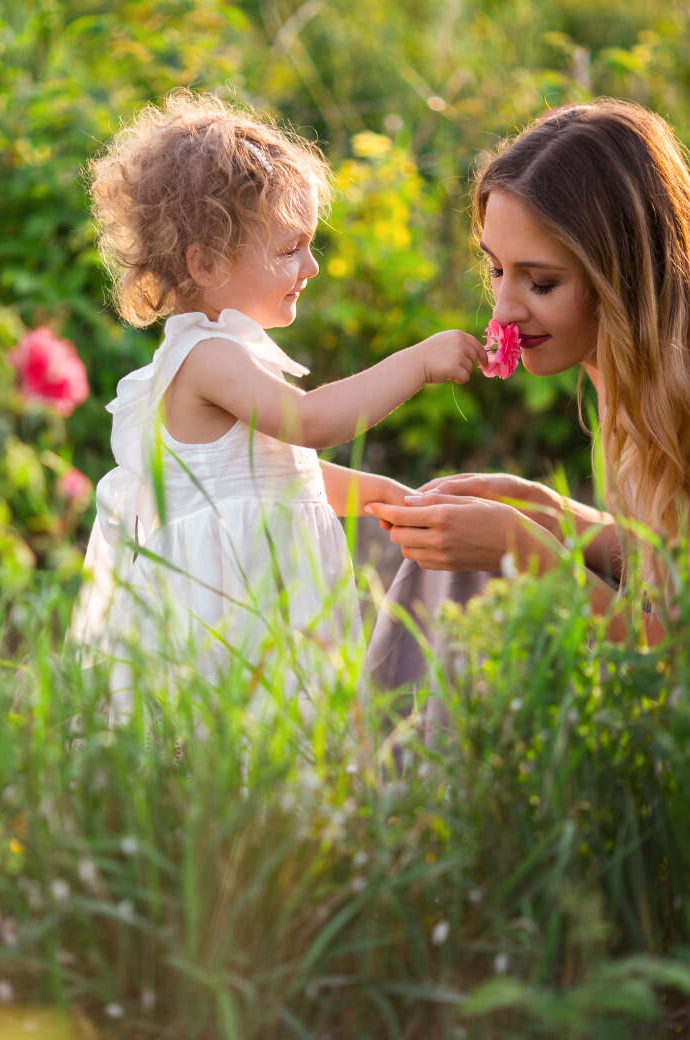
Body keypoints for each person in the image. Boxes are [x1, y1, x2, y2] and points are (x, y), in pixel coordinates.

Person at [364, 99, 690, 685]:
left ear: (623, 277)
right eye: (496, 270)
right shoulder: (627, 359)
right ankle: (392, 764)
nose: (504, 310)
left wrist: (527, 550)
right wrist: (549, 513)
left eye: (541, 282)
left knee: (495, 577)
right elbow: (676, 569)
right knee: (458, 562)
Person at [69, 91, 484, 711]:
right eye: (290, 249)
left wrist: (374, 494)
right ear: (205, 263)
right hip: (226, 608)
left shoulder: (233, 355)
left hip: (265, 604)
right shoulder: (206, 357)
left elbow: (276, 475)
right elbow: (310, 423)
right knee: (232, 742)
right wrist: (416, 364)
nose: (311, 266)